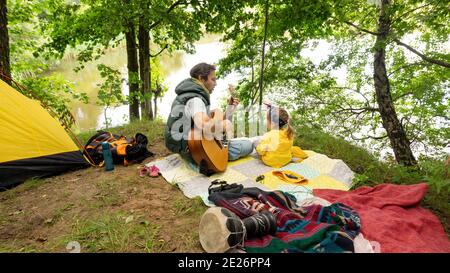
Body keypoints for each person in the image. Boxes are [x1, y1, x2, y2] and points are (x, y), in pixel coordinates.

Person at [164, 63, 253, 174]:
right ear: (201, 78)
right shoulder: (196, 99)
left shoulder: (188, 94)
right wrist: (224, 125)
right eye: (213, 79)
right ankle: (217, 153)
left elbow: (211, 124)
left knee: (224, 133)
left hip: (191, 144)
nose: (216, 83)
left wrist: (230, 109)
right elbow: (204, 125)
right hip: (197, 150)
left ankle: (225, 145)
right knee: (248, 145)